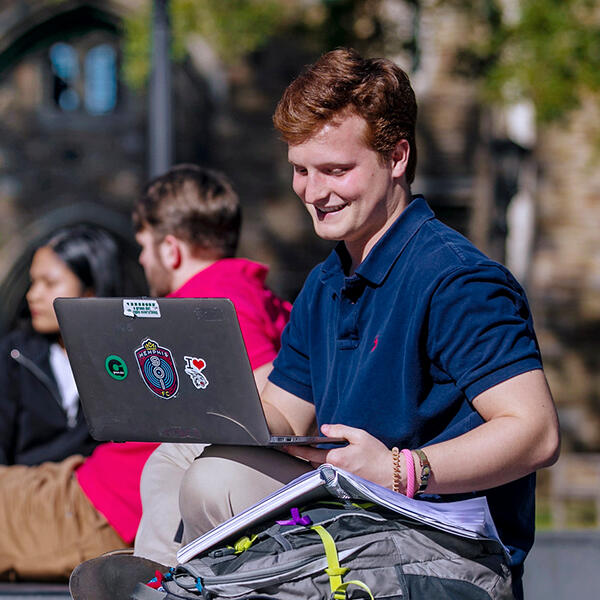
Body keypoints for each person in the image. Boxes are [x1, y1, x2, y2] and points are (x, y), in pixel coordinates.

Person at [173, 48, 560, 599]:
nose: (312, 192)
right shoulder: (325, 283)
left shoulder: (457, 280)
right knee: (179, 458)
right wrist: (202, 404)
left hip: (447, 545)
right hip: (349, 510)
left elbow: (536, 431)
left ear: (397, 156)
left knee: (217, 481)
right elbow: (287, 411)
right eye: (300, 171)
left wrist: (401, 470)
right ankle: (174, 584)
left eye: (335, 170)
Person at [132, 163, 292, 566]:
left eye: (143, 246)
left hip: (113, 500)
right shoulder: (237, 288)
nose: (139, 258)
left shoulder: (210, 300)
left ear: (170, 250)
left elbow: (261, 388)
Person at [0, 225, 122, 466]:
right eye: (33, 282)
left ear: (91, 292)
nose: (32, 295)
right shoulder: (13, 356)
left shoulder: (124, 363)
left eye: (50, 283)